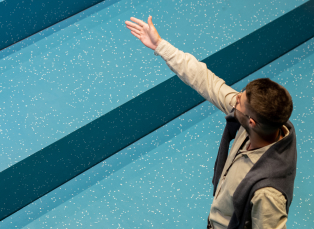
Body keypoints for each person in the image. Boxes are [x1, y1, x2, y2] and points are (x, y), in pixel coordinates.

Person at [125, 16, 296, 229]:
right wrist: (160, 45)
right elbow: (207, 81)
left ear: (252, 121)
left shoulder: (268, 194)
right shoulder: (266, 124)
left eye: (239, 101)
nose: (235, 99)